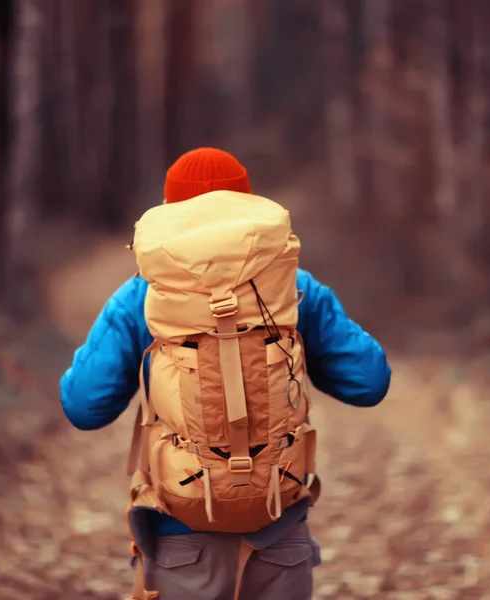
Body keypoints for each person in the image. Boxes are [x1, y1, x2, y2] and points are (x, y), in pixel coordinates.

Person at [60, 147, 391, 600]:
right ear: (247, 206)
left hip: (180, 529)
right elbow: (370, 381)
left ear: (171, 212)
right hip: (279, 524)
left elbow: (83, 405)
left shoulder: (144, 295)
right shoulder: (293, 287)